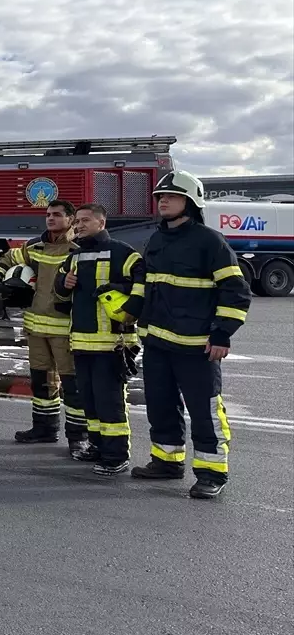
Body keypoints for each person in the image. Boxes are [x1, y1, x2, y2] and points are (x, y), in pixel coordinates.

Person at [127, 171, 250, 499]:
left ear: (191, 203)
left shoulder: (210, 241)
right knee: (160, 405)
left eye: (171, 196)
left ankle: (212, 472)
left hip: (197, 346)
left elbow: (236, 291)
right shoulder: (156, 239)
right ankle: (166, 462)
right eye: (159, 197)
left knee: (205, 410)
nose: (162, 200)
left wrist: (222, 334)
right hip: (157, 343)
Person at [53, 203, 145, 475]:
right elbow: (59, 292)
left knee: (109, 401)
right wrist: (63, 284)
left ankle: (116, 455)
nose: (78, 225)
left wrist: (122, 295)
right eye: (77, 221)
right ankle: (97, 445)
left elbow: (143, 284)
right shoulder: (75, 256)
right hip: (81, 342)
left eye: (84, 221)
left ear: (101, 224)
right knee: (89, 400)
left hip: (112, 344)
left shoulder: (123, 253)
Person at [0, 200, 86, 453]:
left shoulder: (80, 249)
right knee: (41, 381)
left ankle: (78, 437)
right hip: (36, 327)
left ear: (71, 219)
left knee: (73, 385)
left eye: (56, 215)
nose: (50, 219)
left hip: (66, 329)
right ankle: (44, 429)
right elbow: (9, 256)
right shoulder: (35, 246)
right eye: (48, 215)